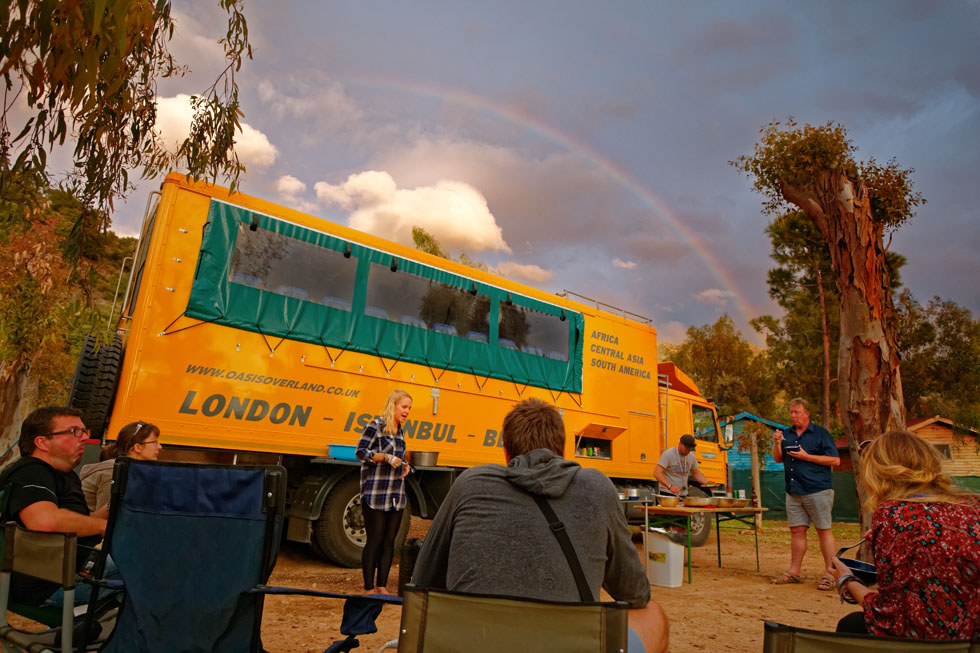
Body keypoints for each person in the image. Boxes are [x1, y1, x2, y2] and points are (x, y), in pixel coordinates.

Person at [412, 398, 669, 653]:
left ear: (506, 454)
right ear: (563, 452)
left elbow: (423, 580)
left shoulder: (469, 484)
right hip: (570, 644)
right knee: (654, 614)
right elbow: (634, 593)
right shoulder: (598, 489)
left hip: (473, 644)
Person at [831, 430, 980, 639]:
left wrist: (847, 581)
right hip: (971, 639)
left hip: (931, 643)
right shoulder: (973, 506)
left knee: (851, 625)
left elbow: (889, 616)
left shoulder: (893, 513)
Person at [0, 407, 108, 606]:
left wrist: (108, 511)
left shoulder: (62, 474)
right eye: (74, 431)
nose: (84, 437)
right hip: (49, 584)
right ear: (42, 442)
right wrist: (103, 527)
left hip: (73, 568)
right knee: (150, 574)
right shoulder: (31, 471)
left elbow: (72, 520)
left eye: (85, 431)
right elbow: (45, 521)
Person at [770, 397, 840, 590]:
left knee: (823, 531)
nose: (793, 416)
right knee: (797, 531)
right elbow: (777, 459)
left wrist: (807, 457)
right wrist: (777, 443)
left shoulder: (820, 434)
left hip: (818, 489)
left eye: (797, 412)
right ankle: (794, 572)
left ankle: (830, 573)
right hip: (794, 491)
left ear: (807, 413)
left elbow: (835, 460)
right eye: (791, 412)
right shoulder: (786, 434)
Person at [355, 389, 414, 594]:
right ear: (393, 405)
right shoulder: (376, 426)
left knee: (390, 541)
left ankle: (382, 585)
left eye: (409, 408)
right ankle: (369, 586)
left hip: (396, 494)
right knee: (375, 539)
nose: (407, 411)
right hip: (375, 493)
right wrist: (386, 457)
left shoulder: (401, 431)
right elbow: (361, 452)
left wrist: (406, 467)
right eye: (404, 407)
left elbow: (400, 458)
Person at [79, 420, 164, 511]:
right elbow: (107, 517)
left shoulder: (130, 471)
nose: (160, 447)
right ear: (137, 447)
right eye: (154, 442)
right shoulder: (113, 473)